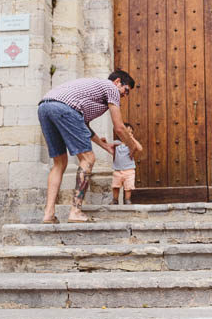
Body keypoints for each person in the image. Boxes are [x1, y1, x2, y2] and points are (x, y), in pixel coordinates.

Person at [37, 70, 138, 223]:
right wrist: (132, 146)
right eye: (126, 90)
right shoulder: (111, 88)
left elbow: (82, 125)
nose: (125, 95)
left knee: (59, 162)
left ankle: (48, 214)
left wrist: (105, 146)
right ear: (118, 82)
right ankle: (76, 211)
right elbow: (119, 127)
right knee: (88, 158)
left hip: (45, 107)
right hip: (65, 109)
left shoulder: (93, 93)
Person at [111, 123, 143, 205]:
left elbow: (140, 149)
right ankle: (115, 200)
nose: (129, 134)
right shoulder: (117, 143)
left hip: (129, 170)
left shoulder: (132, 145)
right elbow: (109, 146)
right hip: (117, 170)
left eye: (131, 132)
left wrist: (132, 138)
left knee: (128, 187)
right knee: (116, 186)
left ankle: (127, 200)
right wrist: (103, 141)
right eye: (127, 132)